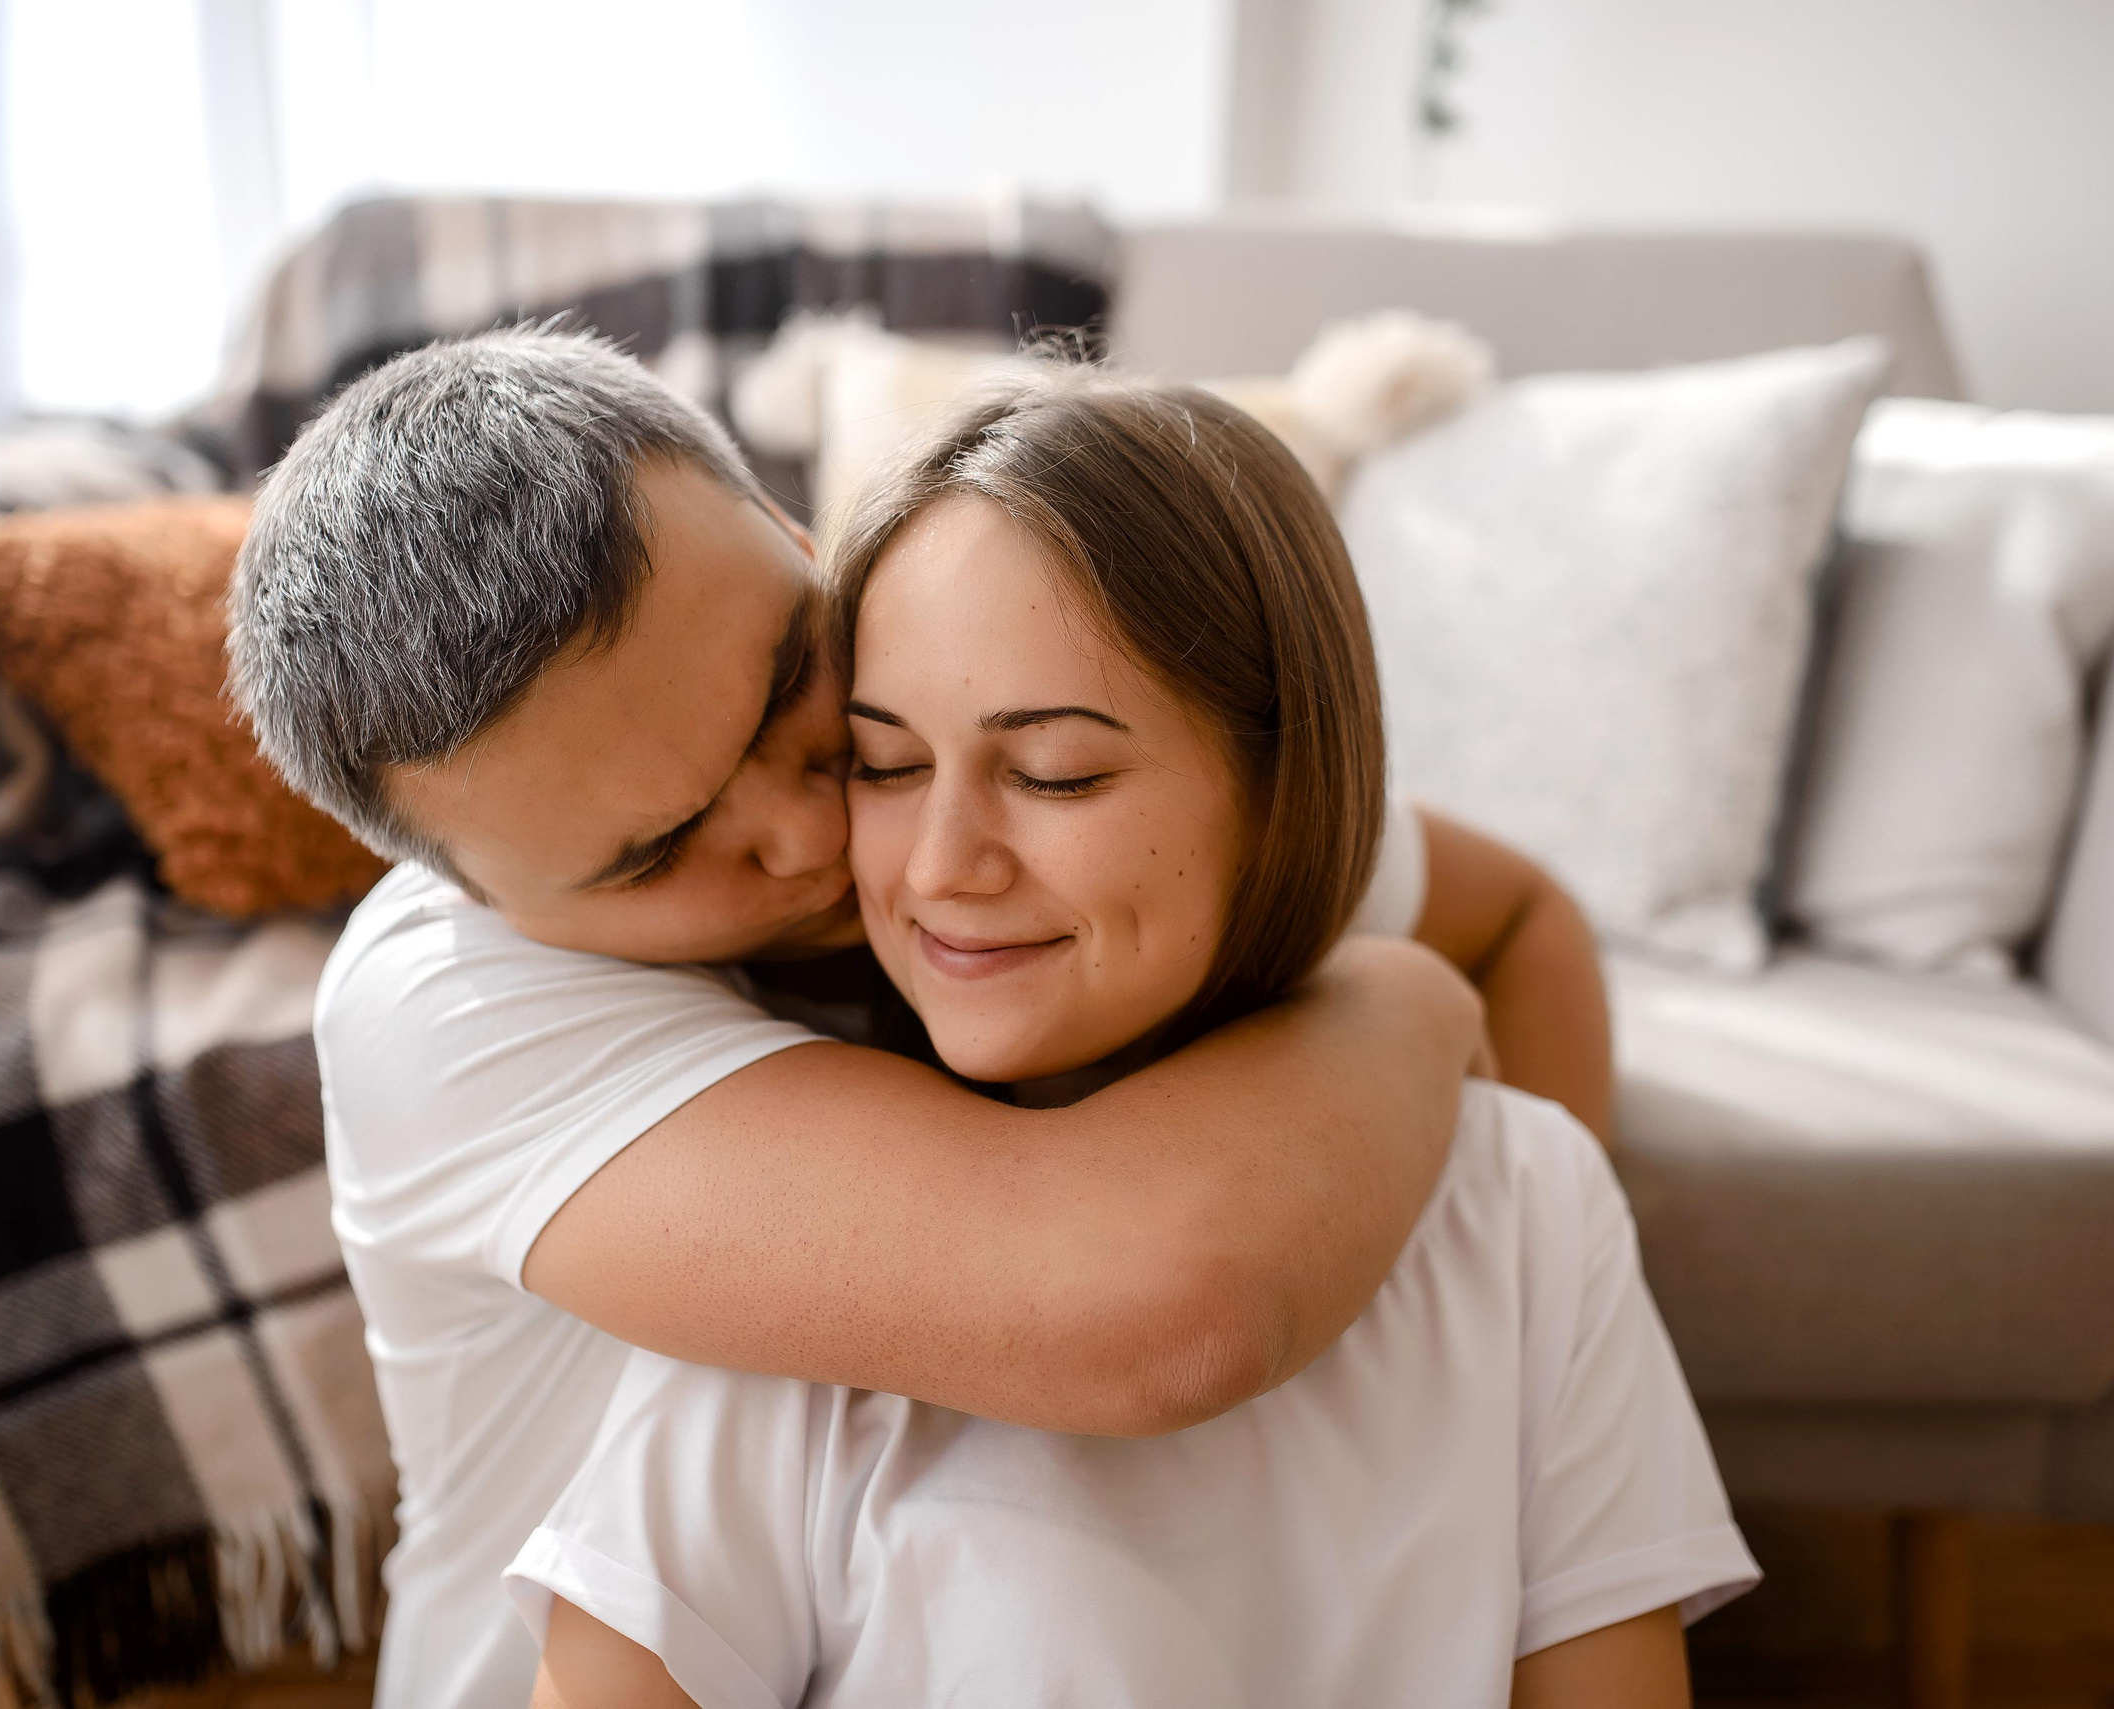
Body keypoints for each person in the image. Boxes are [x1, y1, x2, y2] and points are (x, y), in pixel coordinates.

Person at [227, 330, 1613, 1709]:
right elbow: (1149, 1309)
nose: (809, 822)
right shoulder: (444, 1006)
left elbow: (1522, 919)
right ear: (474, 887)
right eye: (657, 853)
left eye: (785, 686)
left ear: (781, 521)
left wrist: (1556, 1382)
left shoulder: (1007, 777)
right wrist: (1409, 999)